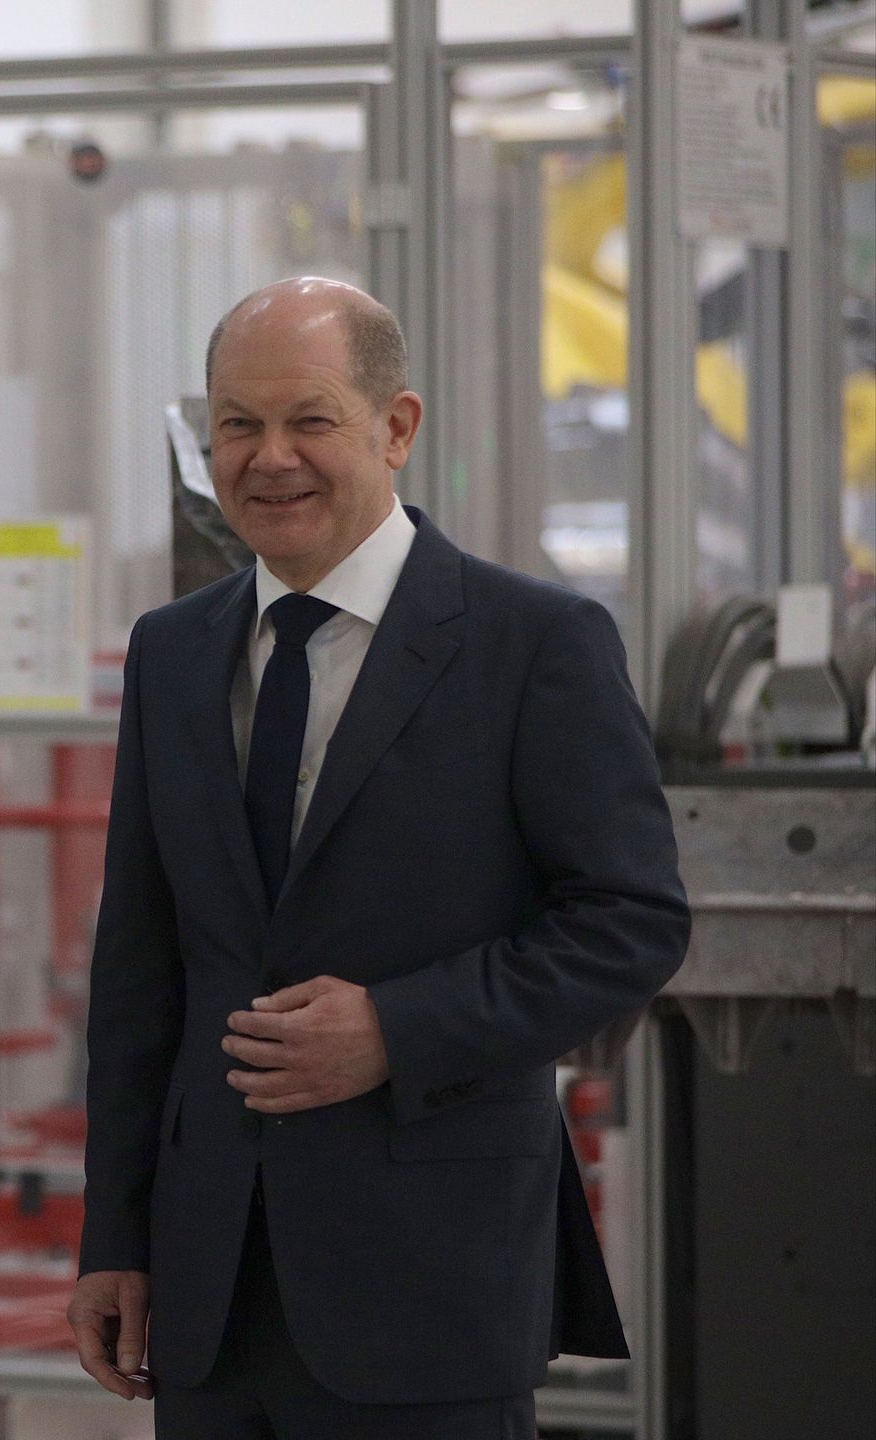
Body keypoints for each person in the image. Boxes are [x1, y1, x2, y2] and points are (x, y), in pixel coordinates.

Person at [67, 277, 689, 1437]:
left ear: (396, 427)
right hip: (210, 1290)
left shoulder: (535, 644)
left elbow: (631, 923)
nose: (270, 458)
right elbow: (139, 969)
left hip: (431, 1281)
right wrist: (115, 1234)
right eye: (238, 425)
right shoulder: (173, 653)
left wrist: (396, 1030)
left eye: (310, 419)